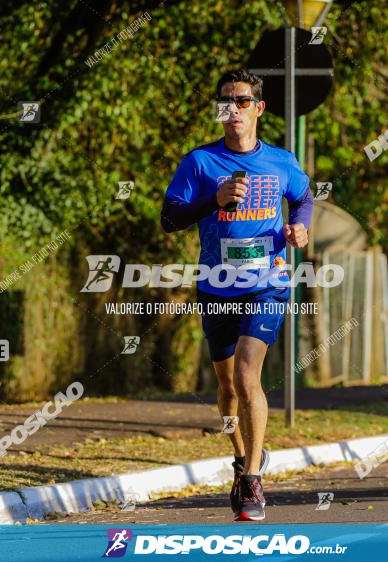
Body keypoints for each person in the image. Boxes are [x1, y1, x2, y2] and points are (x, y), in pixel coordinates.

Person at [160, 69, 313, 521]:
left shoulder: (282, 161)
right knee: (227, 389)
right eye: (225, 102)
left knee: (248, 378)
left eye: (242, 101)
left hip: (269, 283)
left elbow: (303, 197)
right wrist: (215, 200)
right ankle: (242, 456)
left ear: (259, 108)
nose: (233, 110)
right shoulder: (200, 164)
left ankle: (251, 481)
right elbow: (169, 219)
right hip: (217, 286)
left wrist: (300, 225)